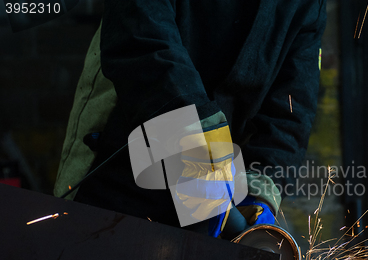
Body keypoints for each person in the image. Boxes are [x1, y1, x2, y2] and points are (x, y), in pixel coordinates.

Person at [54, 0, 327, 238]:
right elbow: (143, 42)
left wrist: (259, 187)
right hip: (123, 164)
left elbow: (292, 106)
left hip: (221, 182)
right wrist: (201, 150)